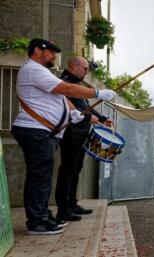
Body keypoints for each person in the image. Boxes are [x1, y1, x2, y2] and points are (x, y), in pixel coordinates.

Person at [11, 38, 116, 235]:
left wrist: (73, 112)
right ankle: (36, 221)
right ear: (37, 50)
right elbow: (66, 89)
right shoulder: (33, 69)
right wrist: (98, 92)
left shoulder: (40, 71)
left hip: (43, 132)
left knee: (43, 176)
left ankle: (41, 215)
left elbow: (61, 97)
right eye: (51, 52)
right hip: (35, 130)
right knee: (39, 177)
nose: (54, 56)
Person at [55, 56, 113, 222]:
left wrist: (101, 118)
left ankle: (72, 204)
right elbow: (71, 110)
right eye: (85, 69)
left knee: (75, 170)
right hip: (70, 133)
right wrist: (90, 119)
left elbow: (85, 108)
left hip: (80, 133)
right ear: (74, 66)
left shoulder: (76, 84)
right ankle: (63, 209)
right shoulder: (65, 83)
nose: (87, 72)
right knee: (67, 170)